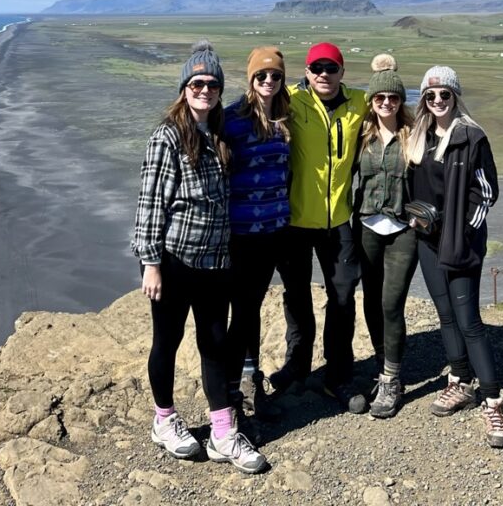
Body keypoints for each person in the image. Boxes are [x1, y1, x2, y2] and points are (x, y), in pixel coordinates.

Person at [131, 40, 267, 474]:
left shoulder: (220, 135)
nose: (204, 90)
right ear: (184, 88)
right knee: (167, 342)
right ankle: (164, 420)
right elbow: (151, 204)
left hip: (214, 262)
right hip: (172, 262)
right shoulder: (167, 137)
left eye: (211, 84)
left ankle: (222, 433)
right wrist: (151, 263)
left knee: (214, 344)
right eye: (196, 83)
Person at [407, 65, 503, 448]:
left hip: (460, 244)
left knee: (469, 321)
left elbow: (486, 193)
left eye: (444, 95)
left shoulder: (471, 137)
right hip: (427, 241)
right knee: (445, 314)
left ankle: (493, 399)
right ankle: (460, 381)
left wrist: (463, 232)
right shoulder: (419, 137)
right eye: (430, 95)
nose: (437, 101)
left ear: (455, 96)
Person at [271, 42, 369, 412]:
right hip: (295, 222)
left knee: (342, 298)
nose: (323, 74)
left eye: (331, 68)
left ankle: (338, 375)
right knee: (296, 296)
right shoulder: (291, 100)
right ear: (307, 72)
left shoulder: (359, 102)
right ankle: (297, 366)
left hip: (339, 222)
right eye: (316, 68)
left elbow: (397, 109)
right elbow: (252, 103)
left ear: (343, 72)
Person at [224, 47, 290, 421]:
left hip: (273, 231)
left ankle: (249, 380)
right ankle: (232, 390)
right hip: (239, 231)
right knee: (242, 308)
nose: (268, 81)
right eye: (261, 76)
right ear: (250, 79)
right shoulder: (232, 119)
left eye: (275, 76)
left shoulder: (285, 120)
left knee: (251, 308)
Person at [353, 54, 417, 418]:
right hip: (366, 229)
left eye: (393, 98)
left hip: (402, 232)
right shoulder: (361, 136)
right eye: (380, 98)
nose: (387, 103)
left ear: (400, 100)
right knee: (370, 302)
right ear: (372, 102)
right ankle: (382, 364)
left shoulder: (414, 137)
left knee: (391, 303)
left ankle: (392, 378)